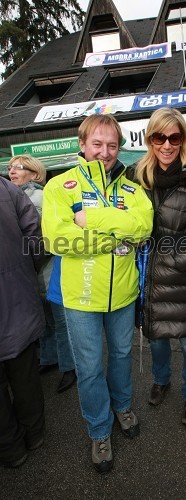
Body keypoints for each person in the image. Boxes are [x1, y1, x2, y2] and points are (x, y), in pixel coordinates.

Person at [42, 114, 153, 474]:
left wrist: (92, 219)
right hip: (80, 298)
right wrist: (115, 236)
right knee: (89, 368)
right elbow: (56, 240)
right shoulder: (60, 187)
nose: (104, 152)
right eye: (97, 144)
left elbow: (143, 228)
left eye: (112, 145)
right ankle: (99, 429)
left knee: (120, 356)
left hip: (122, 294)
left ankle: (122, 406)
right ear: (82, 145)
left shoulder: (133, 188)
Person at [133, 107, 186, 427]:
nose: (166, 144)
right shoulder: (137, 178)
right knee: (156, 339)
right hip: (150, 279)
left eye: (174, 136)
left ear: (182, 139)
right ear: (150, 139)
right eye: (159, 137)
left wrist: (178, 261)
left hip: (182, 278)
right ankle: (161, 380)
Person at [8, 154, 76, 394]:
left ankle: (69, 367)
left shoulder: (39, 197)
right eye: (10, 167)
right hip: (36, 274)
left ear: (35, 174)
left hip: (48, 272)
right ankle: (51, 360)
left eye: (19, 167)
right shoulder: (16, 197)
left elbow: (47, 240)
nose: (12, 171)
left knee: (59, 322)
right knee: (47, 322)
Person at [0, 177, 45, 468]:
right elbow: (37, 240)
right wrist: (25, 274)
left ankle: (10, 448)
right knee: (26, 375)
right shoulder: (8, 189)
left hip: (17, 299)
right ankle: (34, 434)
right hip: (19, 300)